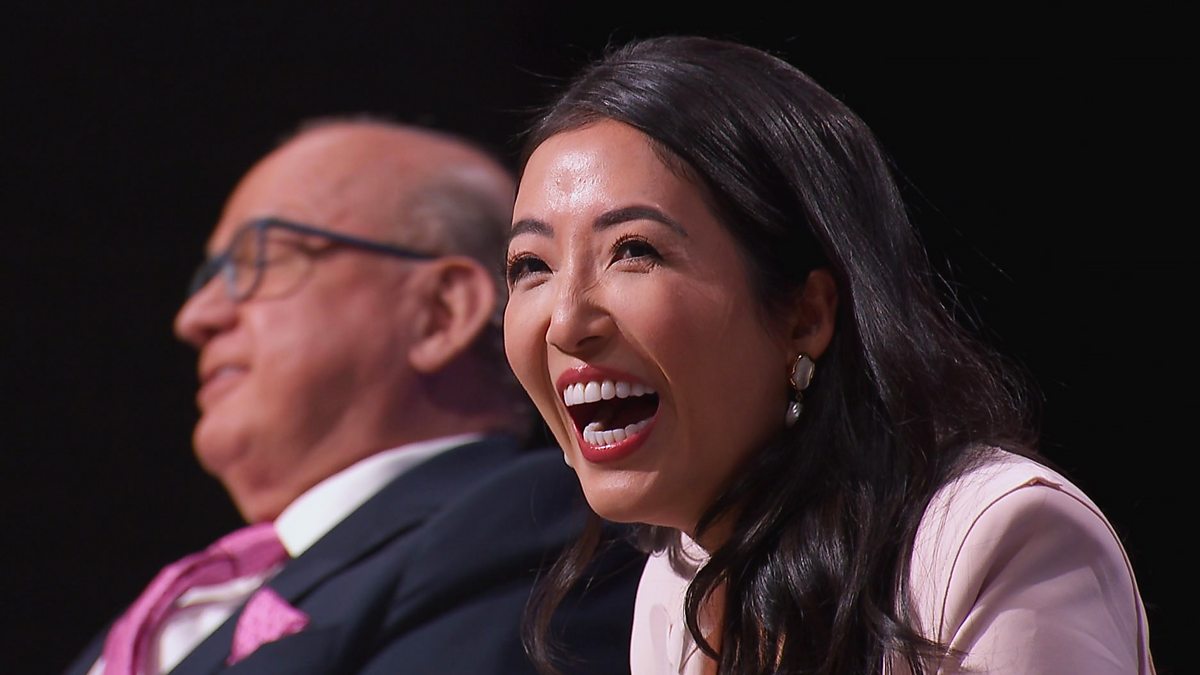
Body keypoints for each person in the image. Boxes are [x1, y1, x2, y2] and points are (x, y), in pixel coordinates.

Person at [503, 36, 1156, 675]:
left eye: (634, 250)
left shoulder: (999, 537)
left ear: (806, 315)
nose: (566, 322)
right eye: (531, 265)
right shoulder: (673, 588)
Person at [63, 119, 643, 675]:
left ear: (439, 313)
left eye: (259, 260)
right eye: (210, 275)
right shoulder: (195, 593)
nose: (196, 317)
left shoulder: (525, 528)